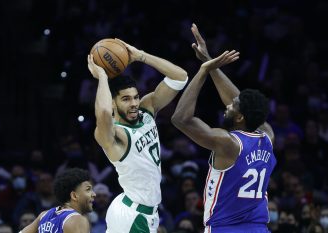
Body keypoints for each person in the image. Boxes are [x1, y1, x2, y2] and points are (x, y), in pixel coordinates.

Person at [171, 23, 277, 233]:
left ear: (239, 117)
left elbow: (180, 119)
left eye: (233, 107)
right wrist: (210, 61)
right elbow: (239, 100)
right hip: (258, 229)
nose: (227, 105)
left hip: (225, 228)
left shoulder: (227, 143)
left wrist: (203, 70)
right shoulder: (267, 136)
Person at [87, 38, 188, 233]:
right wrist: (102, 77)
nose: (133, 103)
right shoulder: (116, 136)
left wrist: (141, 56)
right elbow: (104, 114)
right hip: (133, 216)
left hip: (143, 211)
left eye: (135, 97)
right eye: (126, 99)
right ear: (114, 103)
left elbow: (180, 77)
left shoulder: (146, 110)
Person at [20, 168, 96, 233]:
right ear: (74, 196)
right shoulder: (77, 220)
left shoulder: (44, 215)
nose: (94, 194)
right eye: (88, 190)